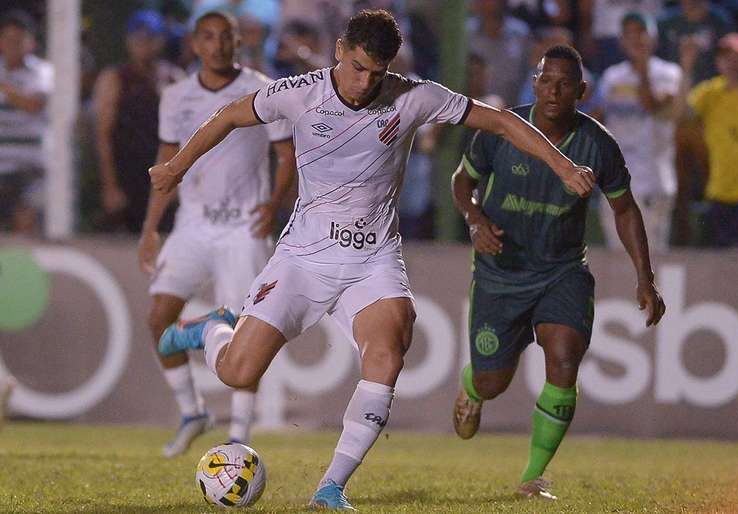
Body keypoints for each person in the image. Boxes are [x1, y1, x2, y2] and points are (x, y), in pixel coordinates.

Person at [149, 9, 594, 510]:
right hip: (303, 259)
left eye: (377, 73)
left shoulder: (412, 95)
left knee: (389, 352)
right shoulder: (301, 93)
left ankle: (331, 488)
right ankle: (211, 329)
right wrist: (176, 167)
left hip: (373, 260)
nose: (365, 82)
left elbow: (500, 121)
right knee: (236, 372)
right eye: (358, 67)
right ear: (340, 50)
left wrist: (561, 163)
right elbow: (231, 114)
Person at [450, 45, 666, 501]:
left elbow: (625, 209)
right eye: (546, 81)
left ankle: (533, 476)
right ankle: (473, 386)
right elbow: (462, 182)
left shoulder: (598, 144)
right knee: (494, 381)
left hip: (561, 270)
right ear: (534, 83)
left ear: (581, 91)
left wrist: (645, 277)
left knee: (565, 358)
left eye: (565, 83)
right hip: (500, 270)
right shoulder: (501, 129)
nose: (554, 91)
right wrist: (474, 220)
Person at [138, 11, 295, 457]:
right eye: (209, 37)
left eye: (226, 37)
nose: (219, 45)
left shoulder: (262, 89)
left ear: (237, 43)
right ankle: (193, 412)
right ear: (194, 44)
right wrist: (151, 227)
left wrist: (274, 203)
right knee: (158, 318)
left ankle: (239, 437)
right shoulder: (175, 97)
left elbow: (287, 156)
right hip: (193, 223)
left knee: (246, 331)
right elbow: (167, 166)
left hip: (243, 226)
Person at [675, 32, 738, 247]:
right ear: (718, 62)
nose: (732, 63)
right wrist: (686, 67)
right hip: (720, 192)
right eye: (726, 57)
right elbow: (681, 116)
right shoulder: (710, 92)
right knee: (718, 267)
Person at [596, 12, 682, 251]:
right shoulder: (612, 76)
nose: (635, 39)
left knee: (650, 261)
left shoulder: (669, 73)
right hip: (616, 180)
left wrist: (643, 68)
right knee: (616, 258)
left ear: (653, 38)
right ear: (621, 40)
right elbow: (598, 119)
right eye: (629, 34)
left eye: (641, 32)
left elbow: (652, 105)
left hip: (653, 179)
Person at [93, 9, 183, 233]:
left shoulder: (173, 78)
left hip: (163, 175)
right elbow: (103, 135)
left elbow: (190, 134)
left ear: (160, 41)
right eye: (138, 38)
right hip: (127, 175)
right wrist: (110, 186)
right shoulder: (114, 79)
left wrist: (181, 183)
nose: (144, 44)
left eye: (150, 38)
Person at [0, 9, 52, 233]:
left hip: (31, 169)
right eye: (8, 40)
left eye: (19, 40)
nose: (13, 45)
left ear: (31, 43)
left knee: (26, 226)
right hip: (2, 164)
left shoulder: (43, 72)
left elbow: (34, 105)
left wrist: (4, 86)